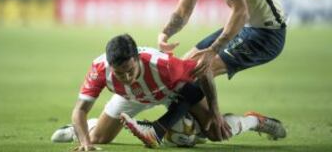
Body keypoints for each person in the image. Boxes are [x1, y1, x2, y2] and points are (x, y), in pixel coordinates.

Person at [155, 0, 287, 142]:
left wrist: (213, 51)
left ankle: (165, 127)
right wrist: (165, 33)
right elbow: (183, 12)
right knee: (183, 69)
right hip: (246, 27)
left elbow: (240, 11)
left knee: (198, 69)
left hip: (267, 33)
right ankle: (195, 125)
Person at [51, 34, 286, 150]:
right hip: (130, 97)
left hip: (169, 92)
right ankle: (78, 131)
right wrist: (85, 143)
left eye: (129, 70)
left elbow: (203, 73)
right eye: (119, 73)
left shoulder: (163, 66)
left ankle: (255, 121)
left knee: (216, 132)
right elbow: (80, 109)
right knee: (97, 139)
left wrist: (214, 110)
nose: (125, 76)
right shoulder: (100, 69)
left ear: (137, 59)